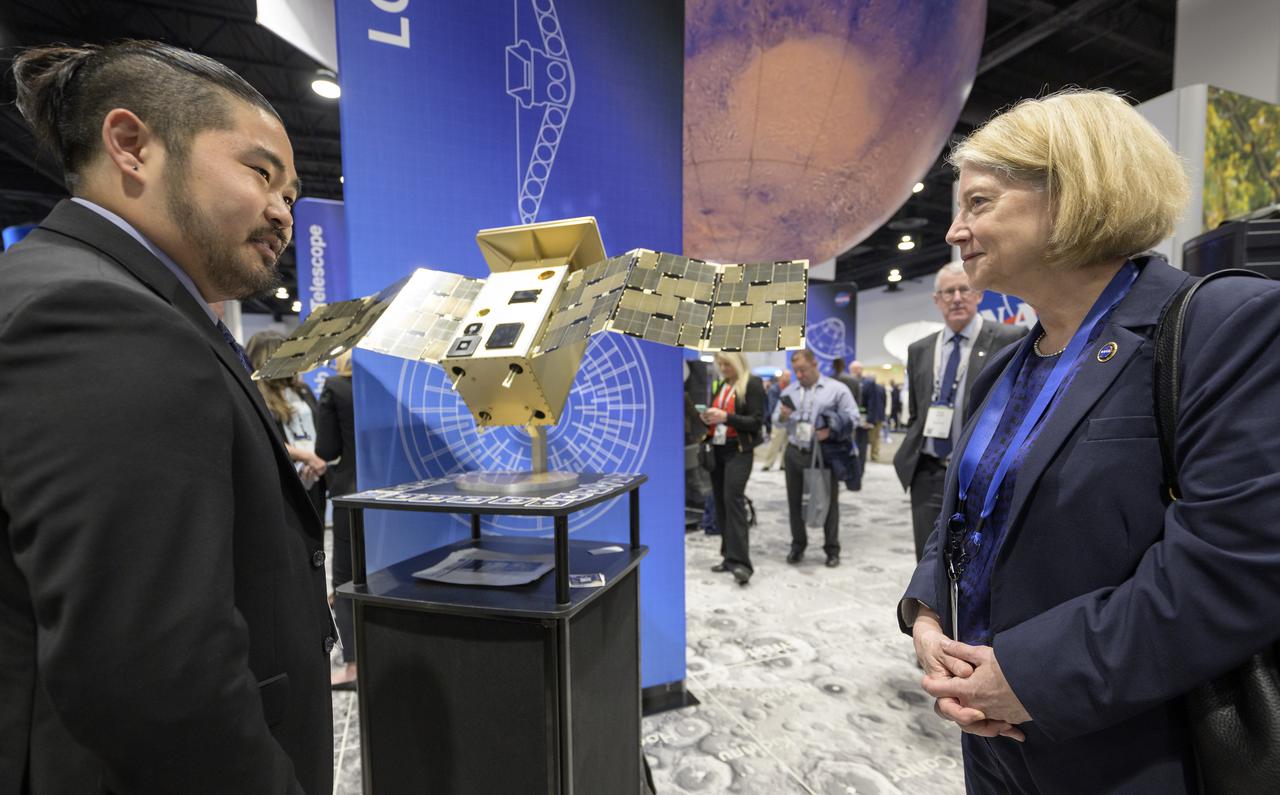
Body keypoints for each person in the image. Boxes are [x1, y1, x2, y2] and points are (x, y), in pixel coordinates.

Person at [899, 89, 1280, 794]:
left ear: (1071, 195)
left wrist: (1032, 676)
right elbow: (966, 521)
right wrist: (927, 611)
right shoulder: (1003, 370)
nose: (953, 231)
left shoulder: (1222, 327)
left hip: (1132, 747)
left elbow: (1235, 567)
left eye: (977, 203)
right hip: (993, 742)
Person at [0, 41, 332, 792]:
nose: (284, 209)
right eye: (261, 173)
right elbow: (153, 674)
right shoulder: (98, 314)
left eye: (293, 191)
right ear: (131, 145)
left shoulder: (81, 288)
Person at [893, 262, 1025, 561]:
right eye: (947, 292)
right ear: (936, 300)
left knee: (978, 561)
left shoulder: (1009, 338)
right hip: (927, 472)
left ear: (978, 294)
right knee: (928, 561)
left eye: (964, 289)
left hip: (979, 472)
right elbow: (916, 411)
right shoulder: (919, 349)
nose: (956, 298)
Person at [775, 349, 858, 567]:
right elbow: (776, 421)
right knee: (794, 503)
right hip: (794, 452)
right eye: (796, 371)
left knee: (827, 502)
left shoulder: (836, 390)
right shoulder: (791, 391)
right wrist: (783, 415)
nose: (799, 375)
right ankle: (798, 545)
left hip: (823, 453)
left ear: (815, 364)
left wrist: (831, 430)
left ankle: (832, 549)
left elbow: (853, 417)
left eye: (802, 370)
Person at [700, 352, 766, 584]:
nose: (722, 367)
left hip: (739, 451)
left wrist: (726, 416)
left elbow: (756, 422)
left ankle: (742, 563)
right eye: (720, 364)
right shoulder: (723, 385)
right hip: (718, 450)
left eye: (726, 363)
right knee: (721, 503)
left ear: (737, 362)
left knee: (733, 500)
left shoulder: (753, 384)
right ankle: (729, 557)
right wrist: (708, 417)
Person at [247, 330, 328, 518]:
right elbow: (263, 437)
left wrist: (316, 457)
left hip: (314, 475)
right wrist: (305, 456)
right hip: (285, 480)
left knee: (317, 535)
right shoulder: (256, 394)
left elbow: (318, 428)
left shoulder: (302, 390)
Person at [317, 350, 359, 689]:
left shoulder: (336, 388)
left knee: (345, 580)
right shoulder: (390, 387)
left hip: (351, 492)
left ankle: (354, 668)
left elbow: (327, 449)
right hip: (396, 492)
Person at [759, 369, 790, 470]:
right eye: (786, 376)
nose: (788, 378)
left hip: (789, 419)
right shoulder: (774, 389)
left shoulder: (791, 388)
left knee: (787, 443)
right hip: (778, 418)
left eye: (789, 376)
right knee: (775, 442)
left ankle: (784, 464)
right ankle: (768, 463)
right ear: (780, 377)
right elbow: (772, 405)